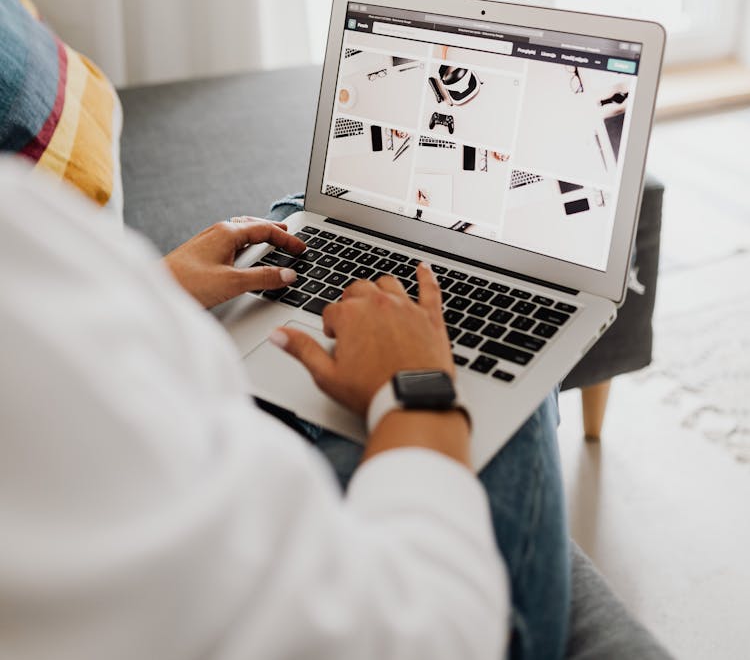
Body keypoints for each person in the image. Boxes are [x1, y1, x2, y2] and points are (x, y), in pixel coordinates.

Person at [0, 160, 570, 659]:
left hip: (219, 493)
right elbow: (435, 637)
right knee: (487, 312)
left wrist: (150, 296)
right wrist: (415, 390)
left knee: (305, 217)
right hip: (429, 612)